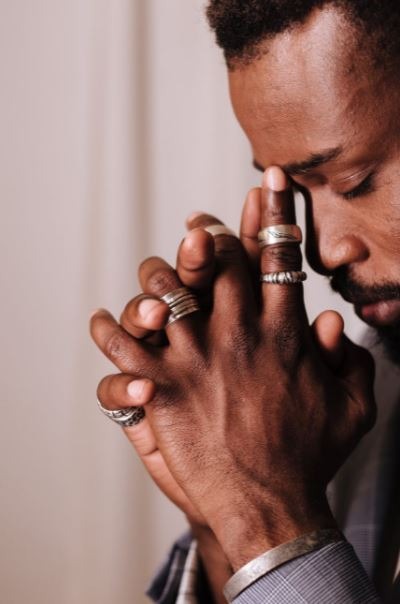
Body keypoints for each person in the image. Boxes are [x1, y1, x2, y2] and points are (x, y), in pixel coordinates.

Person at [90, 1, 400, 602]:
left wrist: (265, 517)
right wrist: (223, 509)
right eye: (294, 192)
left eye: (354, 181)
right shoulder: (367, 389)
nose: (325, 250)